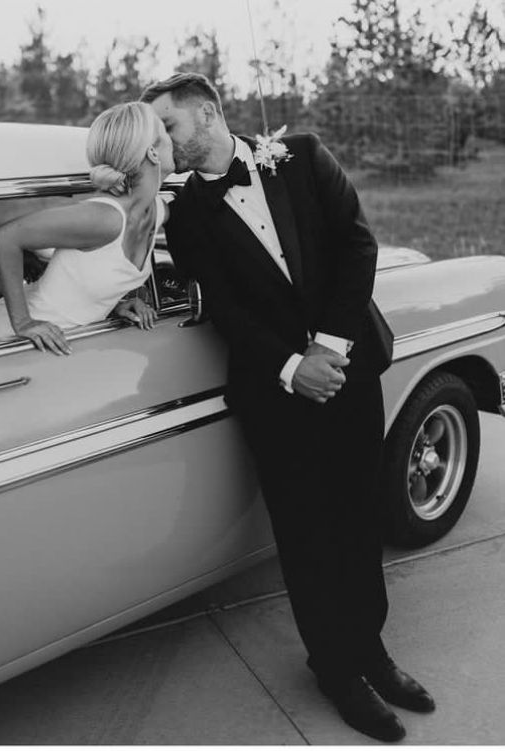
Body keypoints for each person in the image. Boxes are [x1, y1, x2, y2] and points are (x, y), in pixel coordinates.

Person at [140, 72, 434, 743]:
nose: (166, 142)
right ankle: (335, 670)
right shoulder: (186, 215)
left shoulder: (300, 153)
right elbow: (224, 307)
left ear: (208, 112)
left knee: (359, 516)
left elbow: (358, 246)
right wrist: (291, 367)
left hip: (351, 367)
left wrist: (327, 348)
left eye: (170, 127)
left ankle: (371, 652)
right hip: (275, 394)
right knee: (306, 533)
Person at [0, 101, 175, 352]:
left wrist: (116, 304)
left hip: (68, 343)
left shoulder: (157, 211)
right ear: (152, 153)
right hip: (12, 339)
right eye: (166, 134)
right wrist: (24, 322)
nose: (173, 141)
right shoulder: (105, 219)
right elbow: (6, 237)